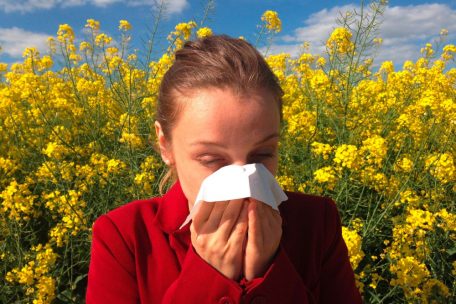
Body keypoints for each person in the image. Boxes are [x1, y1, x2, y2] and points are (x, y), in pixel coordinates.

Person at [86, 34, 363, 303]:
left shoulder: (316, 223)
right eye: (211, 159)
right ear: (165, 145)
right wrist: (208, 276)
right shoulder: (125, 237)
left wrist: (270, 271)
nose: (244, 182)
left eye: (263, 154)